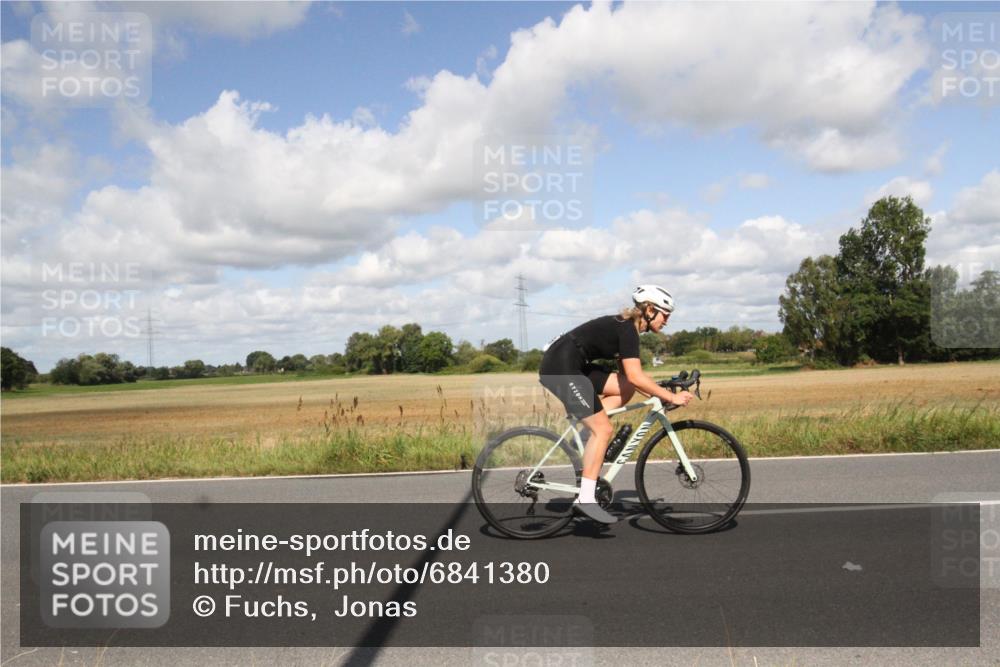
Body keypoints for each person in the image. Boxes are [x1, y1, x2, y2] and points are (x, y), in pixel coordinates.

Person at [538, 285, 694, 524]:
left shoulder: (627, 328)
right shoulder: (628, 331)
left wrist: (660, 389)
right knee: (603, 429)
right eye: (665, 314)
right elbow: (636, 375)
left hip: (571, 364)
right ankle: (586, 499)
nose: (667, 321)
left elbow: (630, 379)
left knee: (624, 387)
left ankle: (587, 430)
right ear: (650, 310)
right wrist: (670, 397)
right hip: (561, 368)